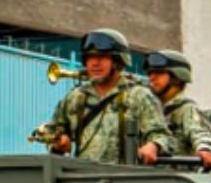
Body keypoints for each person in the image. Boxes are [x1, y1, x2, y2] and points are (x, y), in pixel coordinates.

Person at [46, 29, 176, 166]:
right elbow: (52, 132)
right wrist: (58, 143)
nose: (94, 63)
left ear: (117, 61)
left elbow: (163, 136)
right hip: (82, 180)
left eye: (102, 57)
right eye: (90, 57)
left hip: (125, 180)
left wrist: (153, 146)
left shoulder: (139, 96)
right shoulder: (74, 97)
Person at [144, 50, 211, 168]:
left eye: (159, 73)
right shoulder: (148, 109)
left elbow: (200, 133)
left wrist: (204, 149)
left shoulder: (186, 109)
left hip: (175, 180)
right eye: (150, 73)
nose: (152, 78)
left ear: (177, 77)